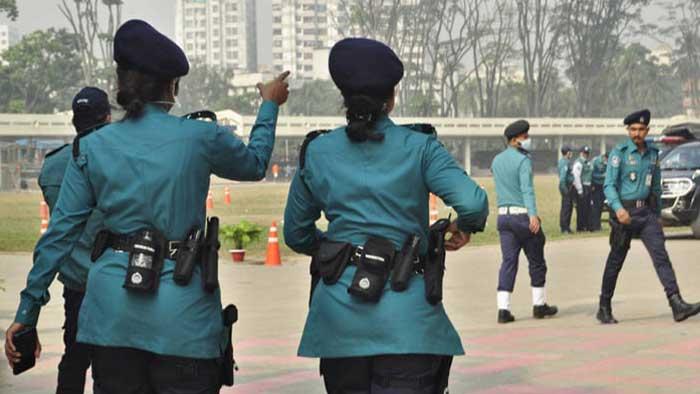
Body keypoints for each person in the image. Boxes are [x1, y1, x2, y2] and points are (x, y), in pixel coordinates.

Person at [4, 19, 290, 393]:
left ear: (121, 84)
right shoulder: (200, 136)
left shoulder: (91, 147)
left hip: (111, 321)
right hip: (183, 320)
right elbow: (254, 164)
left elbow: (58, 236)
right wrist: (268, 106)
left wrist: (27, 313)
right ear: (172, 87)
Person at [283, 37, 489, 394]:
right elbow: (472, 202)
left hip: (339, 323)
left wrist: (339, 251)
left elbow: (297, 234)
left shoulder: (318, 151)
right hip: (406, 321)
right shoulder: (420, 146)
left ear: (343, 98)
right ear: (392, 98)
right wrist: (461, 226)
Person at [34, 87, 111, 394]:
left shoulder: (52, 165)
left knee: (75, 357)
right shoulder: (113, 161)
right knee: (112, 363)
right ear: (107, 117)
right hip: (111, 279)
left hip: (75, 280)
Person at [597, 109, 700, 324]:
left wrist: (657, 214)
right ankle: (604, 306)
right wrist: (618, 209)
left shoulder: (653, 154)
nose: (637, 133)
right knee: (616, 260)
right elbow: (608, 185)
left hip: (646, 214)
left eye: (641, 129)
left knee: (661, 256)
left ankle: (676, 303)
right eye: (633, 129)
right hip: (624, 215)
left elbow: (655, 187)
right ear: (628, 130)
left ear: (647, 130)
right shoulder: (620, 153)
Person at [491, 120, 558, 324]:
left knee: (508, 262)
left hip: (504, 217)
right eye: (525, 136)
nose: (527, 140)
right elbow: (526, 189)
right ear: (516, 139)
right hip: (522, 216)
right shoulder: (523, 161)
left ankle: (503, 309)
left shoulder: (496, 160)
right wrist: (533, 215)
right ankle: (539, 305)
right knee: (536, 260)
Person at [572, 145, 593, 232]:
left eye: (587, 153)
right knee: (581, 208)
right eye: (585, 153)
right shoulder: (578, 163)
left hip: (588, 186)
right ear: (581, 153)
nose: (586, 155)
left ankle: (587, 225)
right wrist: (580, 190)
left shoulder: (587, 162)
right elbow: (576, 177)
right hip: (582, 186)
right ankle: (580, 227)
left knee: (587, 207)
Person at [558, 146, 575, 233]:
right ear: (567, 153)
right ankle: (564, 228)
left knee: (569, 207)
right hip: (566, 187)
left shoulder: (566, 161)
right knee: (566, 208)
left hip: (569, 186)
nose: (571, 154)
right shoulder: (564, 163)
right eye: (570, 152)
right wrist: (565, 190)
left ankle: (567, 227)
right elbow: (562, 179)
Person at [590, 152, 608, 232]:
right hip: (596, 186)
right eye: (606, 159)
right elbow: (591, 174)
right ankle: (595, 226)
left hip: (603, 187)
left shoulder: (608, 163)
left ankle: (598, 225)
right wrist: (602, 176)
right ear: (604, 157)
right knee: (596, 207)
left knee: (601, 206)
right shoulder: (595, 161)